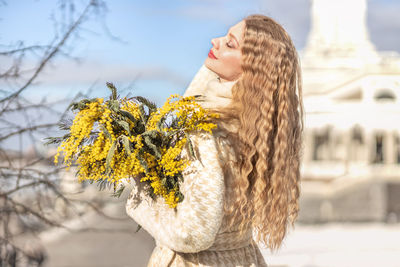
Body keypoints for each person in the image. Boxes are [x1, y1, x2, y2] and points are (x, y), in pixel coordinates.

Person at [126, 14, 304, 267]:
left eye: (230, 44)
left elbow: (192, 234)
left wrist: (141, 195)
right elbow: (193, 101)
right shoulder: (257, 129)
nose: (215, 41)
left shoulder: (205, 134)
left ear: (252, 69)